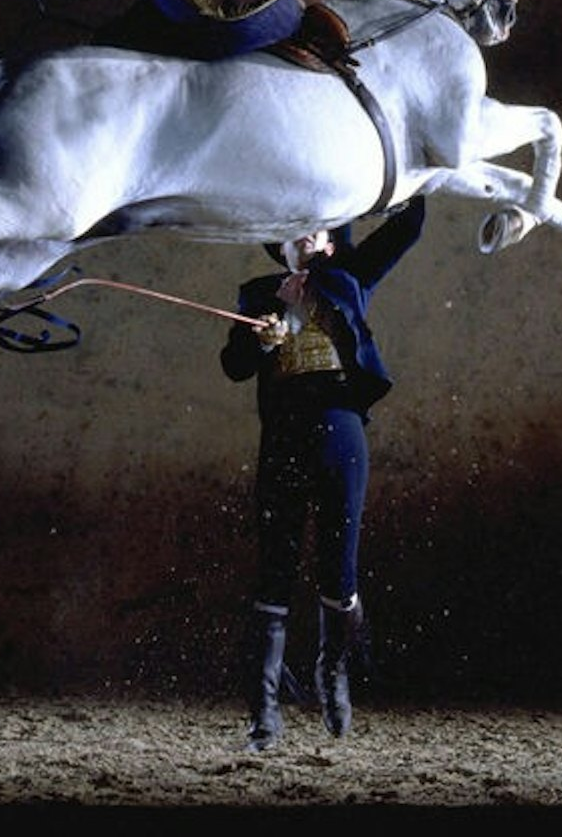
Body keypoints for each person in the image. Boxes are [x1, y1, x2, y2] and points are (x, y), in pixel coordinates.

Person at [220, 197, 425, 750]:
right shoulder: (258, 294)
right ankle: (264, 713)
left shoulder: (351, 277)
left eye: (315, 229)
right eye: (292, 232)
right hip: (283, 430)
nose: (304, 235)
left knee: (340, 567)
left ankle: (332, 669)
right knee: (276, 566)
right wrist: (267, 333)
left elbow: (409, 225)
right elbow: (234, 366)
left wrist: (395, 191)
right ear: (280, 246)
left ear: (330, 242)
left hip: (339, 424)